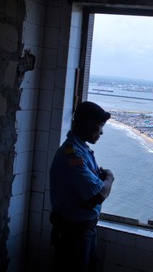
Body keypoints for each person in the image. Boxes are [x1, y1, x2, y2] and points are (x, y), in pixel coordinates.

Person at [49, 101, 115, 272]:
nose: (101, 132)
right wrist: (109, 179)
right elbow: (96, 197)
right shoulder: (73, 154)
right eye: (99, 126)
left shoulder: (81, 150)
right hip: (74, 234)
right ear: (86, 124)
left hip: (83, 231)